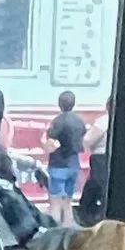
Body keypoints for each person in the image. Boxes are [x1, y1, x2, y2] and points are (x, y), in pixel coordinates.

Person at [42, 90, 87, 223]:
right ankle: (69, 231)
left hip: (57, 164)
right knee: (67, 203)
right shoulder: (79, 121)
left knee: (55, 203)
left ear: (59, 104)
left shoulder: (58, 121)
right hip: (73, 164)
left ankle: (55, 232)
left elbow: (50, 144)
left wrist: (43, 143)